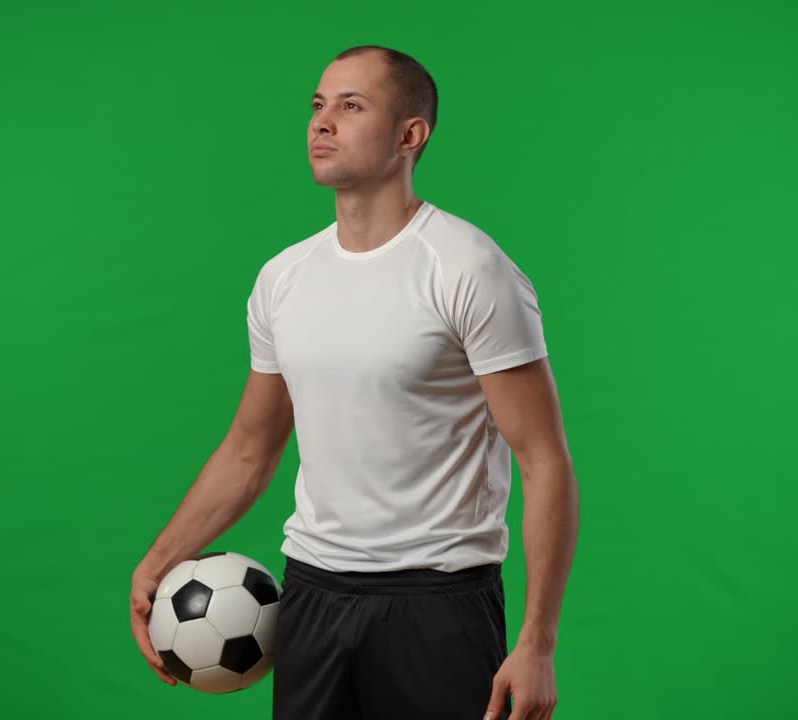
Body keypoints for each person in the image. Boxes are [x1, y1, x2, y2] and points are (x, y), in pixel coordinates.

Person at [129, 44, 579, 720]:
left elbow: (544, 460)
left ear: (410, 134)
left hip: (439, 604)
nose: (321, 122)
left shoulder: (469, 270)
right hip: (311, 596)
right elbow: (251, 449)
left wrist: (538, 642)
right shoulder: (283, 278)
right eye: (317, 105)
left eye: (351, 105)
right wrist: (159, 560)